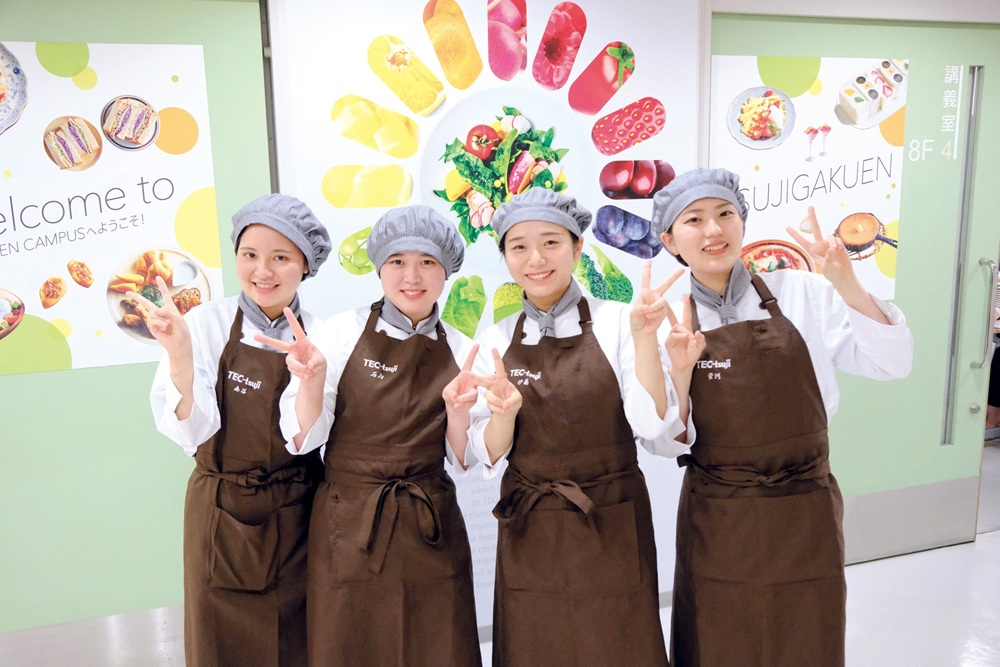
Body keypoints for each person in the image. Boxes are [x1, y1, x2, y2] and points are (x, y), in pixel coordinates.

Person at [650, 168, 914, 667]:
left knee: (806, 638)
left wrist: (848, 284)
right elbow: (664, 442)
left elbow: (892, 363)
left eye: (725, 213)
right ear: (669, 240)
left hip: (804, 508)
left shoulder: (803, 292)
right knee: (719, 640)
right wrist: (681, 375)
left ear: (742, 222)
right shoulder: (661, 320)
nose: (713, 230)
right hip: (719, 514)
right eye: (694, 219)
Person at [468, 187, 686, 666]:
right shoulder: (495, 340)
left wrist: (645, 342)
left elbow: (652, 425)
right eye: (519, 246)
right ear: (504, 256)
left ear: (577, 246)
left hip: (608, 514)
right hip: (531, 522)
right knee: (535, 647)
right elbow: (485, 451)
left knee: (618, 644)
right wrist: (503, 414)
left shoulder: (619, 323)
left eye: (550, 242)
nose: (536, 259)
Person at [260, 205, 481, 666]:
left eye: (427, 262)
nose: (411, 276)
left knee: (436, 647)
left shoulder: (462, 348)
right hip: (349, 523)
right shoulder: (339, 333)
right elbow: (303, 439)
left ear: (447, 271)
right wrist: (310, 382)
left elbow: (463, 459)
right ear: (379, 268)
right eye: (397, 261)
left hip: (429, 523)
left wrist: (459, 414)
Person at [142, 194, 331, 666]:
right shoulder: (203, 323)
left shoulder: (326, 336)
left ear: (306, 265)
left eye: (280, 258)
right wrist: (180, 356)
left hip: (298, 515)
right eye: (250, 255)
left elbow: (308, 438)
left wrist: (312, 380)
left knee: (299, 644)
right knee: (219, 647)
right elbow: (192, 431)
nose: (262, 271)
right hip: (219, 515)